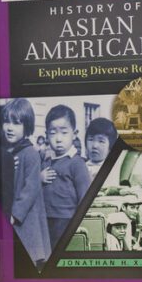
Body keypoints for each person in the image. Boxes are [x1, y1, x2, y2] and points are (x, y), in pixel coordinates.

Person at [1, 98, 50, 270]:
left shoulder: (30, 153)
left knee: (28, 257)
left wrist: (15, 213)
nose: (9, 127)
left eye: (16, 123)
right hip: (13, 211)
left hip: (26, 216)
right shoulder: (8, 151)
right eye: (6, 121)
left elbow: (31, 187)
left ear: (27, 126)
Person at [40, 105, 91, 249]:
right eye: (52, 133)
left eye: (64, 132)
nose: (58, 139)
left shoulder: (77, 163)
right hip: (44, 219)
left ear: (74, 134)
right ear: (46, 135)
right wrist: (39, 178)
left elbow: (85, 198)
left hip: (66, 220)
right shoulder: (45, 162)